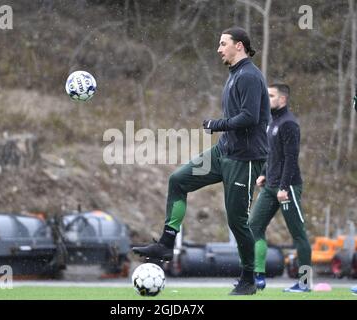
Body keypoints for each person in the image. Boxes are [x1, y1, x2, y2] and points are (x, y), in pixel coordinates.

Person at [133, 27, 270, 296]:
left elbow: (250, 117)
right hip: (223, 153)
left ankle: (248, 278)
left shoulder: (250, 76)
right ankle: (166, 243)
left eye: (223, 44)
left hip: (245, 159)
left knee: (237, 221)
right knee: (178, 180)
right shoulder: (234, 75)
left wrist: (216, 124)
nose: (218, 49)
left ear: (239, 46)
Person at [248, 83, 312, 293]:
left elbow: (291, 159)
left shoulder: (289, 124)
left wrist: (284, 187)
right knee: (253, 227)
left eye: (271, 96)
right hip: (270, 186)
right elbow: (272, 154)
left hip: (288, 187)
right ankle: (258, 276)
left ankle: (305, 283)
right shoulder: (271, 122)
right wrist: (264, 173)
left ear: (282, 99)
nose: (267, 99)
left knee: (299, 236)